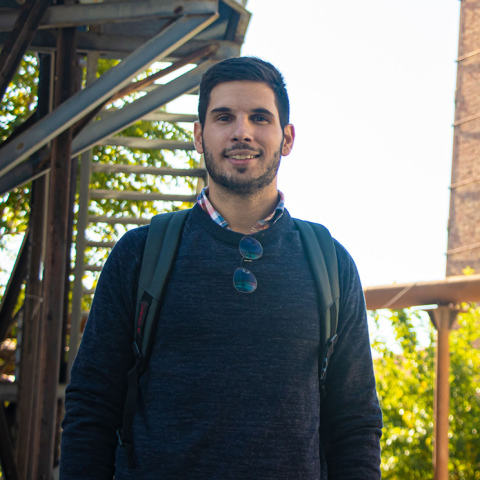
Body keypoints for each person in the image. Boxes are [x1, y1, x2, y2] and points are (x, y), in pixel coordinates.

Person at [60, 57, 382, 479]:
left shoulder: (331, 263)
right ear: (199, 135)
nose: (242, 132)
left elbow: (355, 422)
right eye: (224, 117)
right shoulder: (139, 255)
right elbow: (91, 406)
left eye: (260, 118)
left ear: (287, 138)